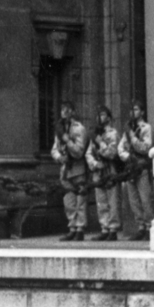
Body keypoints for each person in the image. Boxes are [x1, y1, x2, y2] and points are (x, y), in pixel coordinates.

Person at [50, 101, 89, 241]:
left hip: (78, 169)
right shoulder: (60, 130)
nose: (64, 112)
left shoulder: (79, 129)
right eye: (62, 109)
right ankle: (72, 227)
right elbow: (54, 149)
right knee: (69, 201)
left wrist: (68, 142)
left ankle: (80, 229)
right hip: (65, 170)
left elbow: (79, 151)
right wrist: (60, 158)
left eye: (67, 109)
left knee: (80, 201)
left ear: (73, 111)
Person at [119, 101, 154, 240]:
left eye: (136, 109)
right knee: (134, 200)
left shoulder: (146, 128)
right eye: (131, 109)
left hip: (141, 166)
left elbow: (145, 147)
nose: (132, 112)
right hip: (130, 166)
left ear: (142, 112)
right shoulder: (128, 129)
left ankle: (149, 227)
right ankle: (141, 227)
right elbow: (120, 148)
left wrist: (133, 137)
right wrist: (128, 157)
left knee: (145, 198)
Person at [86, 106, 124, 242]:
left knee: (112, 200)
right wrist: (95, 164)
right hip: (98, 171)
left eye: (102, 115)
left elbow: (112, 153)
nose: (99, 118)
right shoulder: (96, 134)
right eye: (98, 115)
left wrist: (101, 143)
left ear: (108, 117)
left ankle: (113, 229)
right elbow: (88, 153)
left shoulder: (113, 134)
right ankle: (104, 228)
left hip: (110, 170)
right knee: (101, 201)